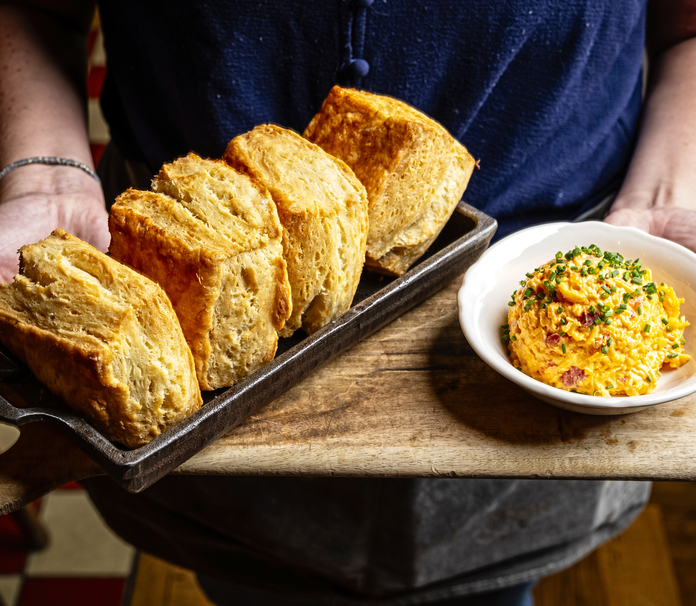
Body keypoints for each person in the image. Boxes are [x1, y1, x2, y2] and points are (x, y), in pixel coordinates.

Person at [1, 1, 695, 604]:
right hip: (182, 306)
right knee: (251, 580)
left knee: (490, 587)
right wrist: (40, 177)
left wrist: (672, 201)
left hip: (557, 290)